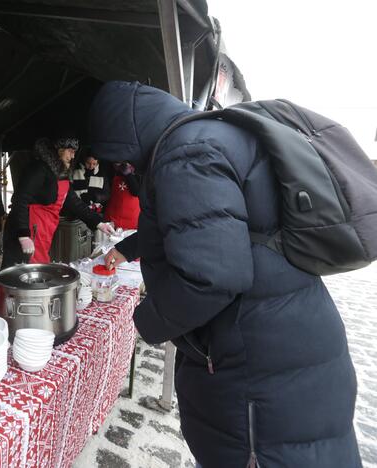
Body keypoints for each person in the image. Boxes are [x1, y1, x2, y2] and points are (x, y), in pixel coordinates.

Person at [91, 82, 361, 467]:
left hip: (258, 373)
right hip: (286, 347)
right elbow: (196, 228)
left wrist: (147, 320)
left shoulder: (186, 154)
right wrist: (127, 250)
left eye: (121, 159)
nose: (125, 168)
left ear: (123, 133)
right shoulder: (210, 137)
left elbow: (211, 276)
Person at [1, 137, 114, 269]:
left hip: (44, 230)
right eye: (70, 151)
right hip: (27, 229)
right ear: (59, 150)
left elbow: (75, 203)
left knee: (38, 270)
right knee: (19, 274)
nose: (73, 156)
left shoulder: (61, 173)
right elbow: (20, 200)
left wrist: (98, 223)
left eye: (74, 152)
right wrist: (23, 235)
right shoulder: (38, 169)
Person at [104, 161, 141, 230]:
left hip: (131, 221)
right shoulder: (111, 171)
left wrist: (129, 175)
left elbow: (136, 192)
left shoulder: (138, 171)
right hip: (112, 219)